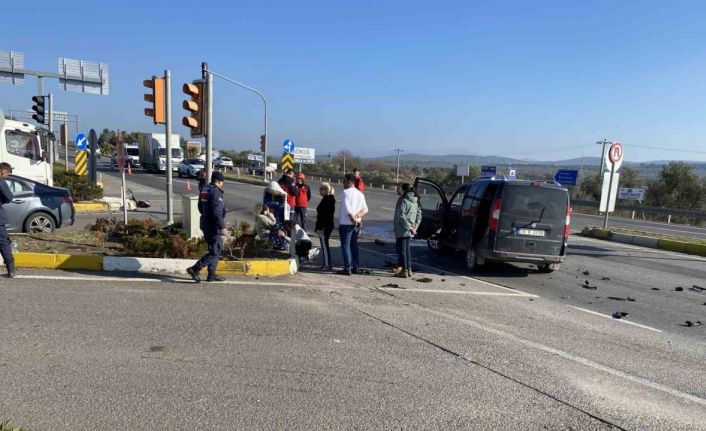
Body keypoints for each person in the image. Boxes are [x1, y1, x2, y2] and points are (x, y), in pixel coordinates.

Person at [187, 171, 228, 283]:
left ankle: (211, 274)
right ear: (219, 181)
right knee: (215, 251)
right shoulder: (216, 192)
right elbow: (217, 212)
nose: (222, 184)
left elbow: (200, 207)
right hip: (214, 225)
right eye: (222, 182)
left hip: (205, 222)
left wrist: (206, 215)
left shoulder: (204, 189)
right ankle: (195, 269)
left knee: (214, 249)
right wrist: (222, 226)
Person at [337, 173, 368, 275]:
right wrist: (357, 217)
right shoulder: (360, 194)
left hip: (347, 224)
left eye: (344, 181)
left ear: (350, 181)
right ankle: (356, 266)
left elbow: (347, 209)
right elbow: (365, 209)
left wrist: (353, 218)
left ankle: (347, 268)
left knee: (346, 245)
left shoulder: (345, 193)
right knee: (354, 245)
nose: (343, 183)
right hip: (357, 224)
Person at [392, 183, 422, 278]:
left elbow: (401, 216)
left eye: (399, 188)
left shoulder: (404, 201)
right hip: (409, 230)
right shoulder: (415, 201)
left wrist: (409, 227)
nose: (398, 190)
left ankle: (404, 270)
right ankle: (409, 269)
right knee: (407, 251)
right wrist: (414, 228)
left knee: (402, 251)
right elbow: (419, 216)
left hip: (403, 229)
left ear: (404, 190)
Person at [314, 182, 335, 271]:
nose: (319, 191)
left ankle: (327, 264)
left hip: (324, 226)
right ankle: (327, 263)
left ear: (325, 190)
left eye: (321, 189)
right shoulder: (328, 199)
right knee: (325, 245)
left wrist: (319, 227)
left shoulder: (327, 200)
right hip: (326, 225)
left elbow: (324, 216)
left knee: (324, 245)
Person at [0, 163, 16, 278]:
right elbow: (9, 197)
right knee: (3, 243)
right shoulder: (1, 182)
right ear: (2, 173)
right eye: (7, 175)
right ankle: (11, 270)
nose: (6, 177)